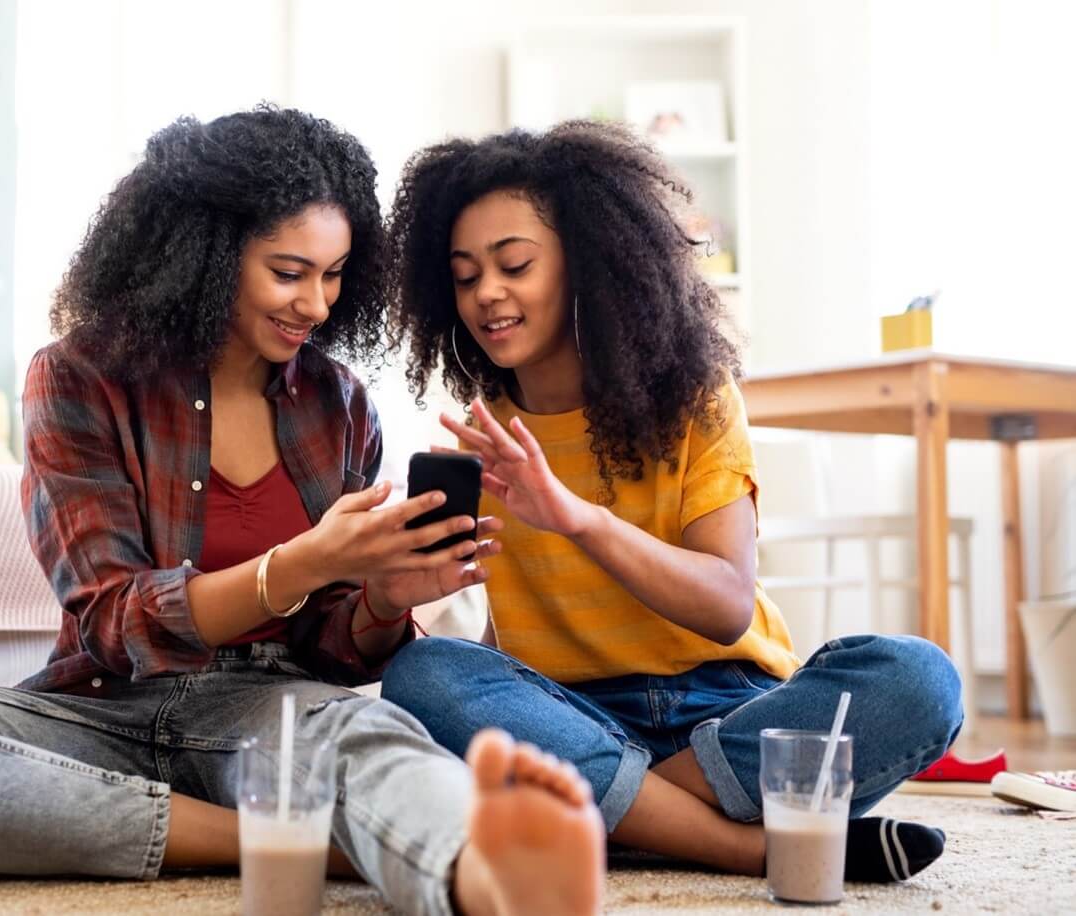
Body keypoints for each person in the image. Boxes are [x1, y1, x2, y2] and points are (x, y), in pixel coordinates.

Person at [0, 107, 605, 916]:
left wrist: (386, 598)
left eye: (333, 275)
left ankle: (486, 873)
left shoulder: (338, 402)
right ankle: (287, 838)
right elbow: (112, 621)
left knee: (367, 738)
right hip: (100, 710)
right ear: (208, 258)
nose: (318, 304)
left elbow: (331, 649)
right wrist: (300, 563)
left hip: (271, 705)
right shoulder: (80, 375)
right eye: (289, 273)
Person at [381, 120, 964, 883]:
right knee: (423, 674)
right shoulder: (480, 440)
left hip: (730, 711)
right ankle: (742, 844)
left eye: (514, 264)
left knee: (918, 679)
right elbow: (508, 646)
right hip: (576, 718)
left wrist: (577, 519)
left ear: (588, 263)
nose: (487, 293)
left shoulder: (693, 402)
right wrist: (398, 599)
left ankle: (619, 819)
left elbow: (725, 605)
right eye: (463, 276)